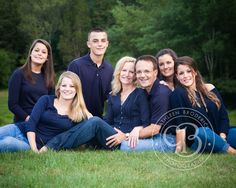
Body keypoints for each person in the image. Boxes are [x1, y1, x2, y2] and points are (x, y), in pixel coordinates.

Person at [0, 71, 116, 152]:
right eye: (64, 85)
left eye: (72, 86)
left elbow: (92, 125)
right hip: (19, 130)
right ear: (59, 87)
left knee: (6, 144)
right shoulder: (46, 100)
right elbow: (31, 123)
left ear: (77, 90)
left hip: (30, 144)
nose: (67, 89)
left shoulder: (79, 114)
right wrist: (34, 149)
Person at [169, 56, 236, 153]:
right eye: (181, 73)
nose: (185, 75)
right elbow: (181, 124)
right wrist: (179, 148)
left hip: (220, 134)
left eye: (189, 71)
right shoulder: (178, 94)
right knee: (202, 132)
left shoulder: (210, 88)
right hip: (199, 139)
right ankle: (232, 152)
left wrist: (222, 135)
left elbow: (223, 116)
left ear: (195, 72)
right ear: (177, 76)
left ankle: (221, 144)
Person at [119, 55, 176, 152]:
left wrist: (126, 135)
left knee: (125, 145)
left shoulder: (161, 94)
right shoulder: (145, 92)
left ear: (155, 72)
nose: (142, 75)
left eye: (146, 71)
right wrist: (137, 128)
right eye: (139, 72)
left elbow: (155, 128)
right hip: (154, 136)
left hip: (167, 140)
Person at [104, 56, 150, 148]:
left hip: (130, 138)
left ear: (135, 75)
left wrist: (137, 129)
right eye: (124, 70)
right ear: (119, 72)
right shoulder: (113, 95)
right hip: (112, 135)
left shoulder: (141, 94)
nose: (127, 74)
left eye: (131, 72)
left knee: (95, 122)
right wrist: (114, 131)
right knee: (95, 122)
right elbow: (108, 121)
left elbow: (146, 122)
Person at [68, 28, 113, 118]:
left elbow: (110, 98)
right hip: (75, 118)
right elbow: (67, 94)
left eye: (103, 41)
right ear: (89, 44)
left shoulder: (109, 69)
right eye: (95, 41)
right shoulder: (76, 65)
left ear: (107, 44)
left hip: (98, 119)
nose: (100, 44)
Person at [8, 39, 55, 123]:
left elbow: (51, 104)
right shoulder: (18, 74)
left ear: (47, 57)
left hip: (42, 123)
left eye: (44, 52)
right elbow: (13, 105)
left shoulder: (49, 78)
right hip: (23, 122)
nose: (39, 53)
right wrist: (28, 119)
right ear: (30, 53)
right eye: (36, 50)